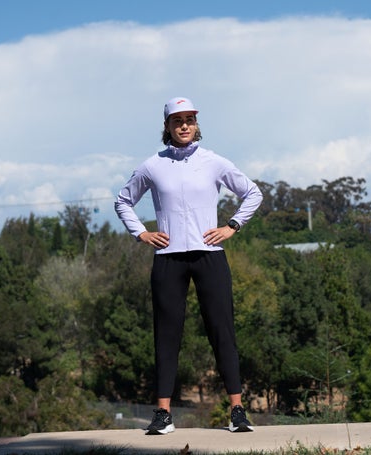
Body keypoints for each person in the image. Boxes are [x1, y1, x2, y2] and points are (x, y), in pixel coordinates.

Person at [115, 96, 263, 435]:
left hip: (209, 254)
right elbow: (123, 201)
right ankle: (163, 414)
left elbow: (252, 193)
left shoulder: (214, 162)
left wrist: (232, 226)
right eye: (177, 120)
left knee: (222, 331)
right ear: (166, 126)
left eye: (190, 119)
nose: (184, 125)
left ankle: (237, 411)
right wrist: (141, 233)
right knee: (166, 334)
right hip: (168, 258)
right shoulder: (152, 166)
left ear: (197, 125)